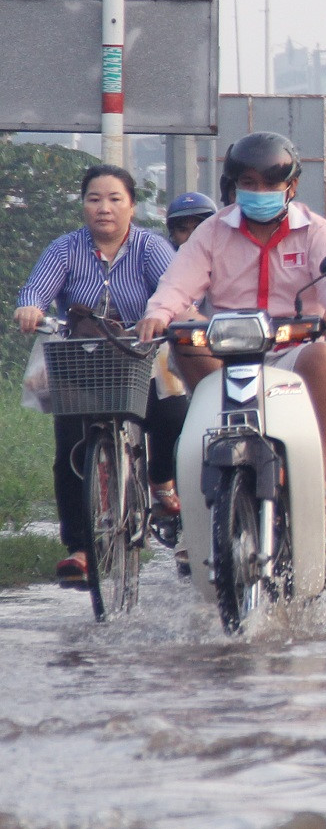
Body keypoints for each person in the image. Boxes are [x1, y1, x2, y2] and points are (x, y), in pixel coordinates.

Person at [137, 133, 326, 534]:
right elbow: (176, 284)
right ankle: (199, 514)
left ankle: (315, 484)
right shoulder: (211, 231)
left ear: (290, 186)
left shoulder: (316, 231)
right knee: (182, 342)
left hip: (294, 350)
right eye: (250, 184)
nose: (260, 193)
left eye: (271, 184)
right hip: (226, 351)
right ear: (234, 186)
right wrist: (158, 313)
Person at [15, 164, 181, 584]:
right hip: (82, 359)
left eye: (114, 199)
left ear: (131, 206)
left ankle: (161, 483)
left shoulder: (150, 247)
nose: (103, 208)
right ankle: (80, 547)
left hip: (140, 356)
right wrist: (30, 308)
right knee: (70, 447)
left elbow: (173, 289)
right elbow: (37, 289)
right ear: (83, 205)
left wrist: (161, 317)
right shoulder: (66, 248)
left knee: (174, 418)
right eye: (93, 199)